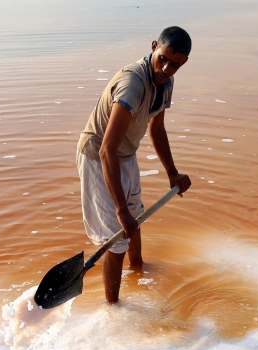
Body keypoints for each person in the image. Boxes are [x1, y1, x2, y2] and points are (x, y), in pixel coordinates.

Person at [76, 26, 193, 303]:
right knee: (115, 241)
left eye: (175, 64)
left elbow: (157, 129)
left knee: (136, 221)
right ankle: (113, 308)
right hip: (98, 157)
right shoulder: (133, 84)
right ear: (154, 46)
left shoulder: (165, 82)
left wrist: (172, 173)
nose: (166, 68)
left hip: (125, 155)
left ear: (183, 62)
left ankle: (138, 271)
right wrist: (120, 209)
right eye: (162, 58)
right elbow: (106, 150)